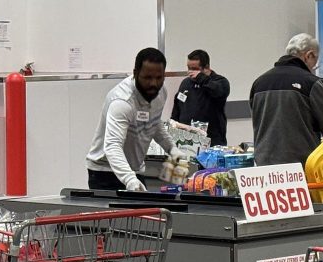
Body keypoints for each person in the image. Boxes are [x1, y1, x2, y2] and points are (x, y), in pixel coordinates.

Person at [85, 48, 174, 191]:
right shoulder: (122, 102)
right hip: (105, 172)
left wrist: (172, 148)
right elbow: (113, 145)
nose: (153, 84)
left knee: (143, 212)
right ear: (135, 73)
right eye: (148, 77)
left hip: (135, 170)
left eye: (159, 78)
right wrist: (129, 179)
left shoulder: (161, 93)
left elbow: (154, 122)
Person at [248, 33, 323, 167]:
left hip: (265, 166)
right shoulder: (311, 83)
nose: (314, 67)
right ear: (309, 55)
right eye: (315, 61)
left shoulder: (259, 83)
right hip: (300, 169)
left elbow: (259, 123)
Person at [170, 49, 231, 145]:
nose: (190, 72)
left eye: (194, 69)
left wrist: (201, 78)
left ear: (206, 67)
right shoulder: (186, 83)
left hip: (211, 141)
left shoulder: (220, 82)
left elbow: (218, 92)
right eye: (188, 68)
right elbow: (178, 106)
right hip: (186, 141)